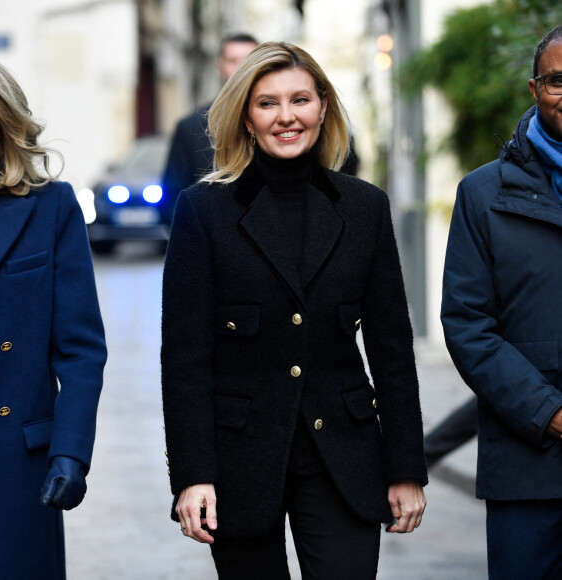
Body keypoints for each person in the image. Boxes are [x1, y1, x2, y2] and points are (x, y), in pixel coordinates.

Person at [161, 41, 427, 580]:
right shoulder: (203, 211)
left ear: (323, 107)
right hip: (240, 459)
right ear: (246, 115)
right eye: (267, 103)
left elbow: (392, 349)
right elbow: (185, 361)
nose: (286, 117)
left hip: (345, 455)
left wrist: (406, 470)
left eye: (300, 99)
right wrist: (193, 475)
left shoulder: (364, 207)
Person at [441, 25, 562, 579]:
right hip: (526, 462)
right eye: (559, 81)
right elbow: (468, 324)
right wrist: (548, 412)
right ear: (535, 88)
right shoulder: (482, 195)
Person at [0, 54, 106, 580]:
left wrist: (70, 454)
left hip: (13, 461)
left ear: (2, 126)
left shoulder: (50, 208)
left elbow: (80, 349)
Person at [160, 33, 258, 219]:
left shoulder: (278, 121)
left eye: (248, 60)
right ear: (220, 65)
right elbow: (171, 198)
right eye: (232, 60)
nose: (240, 68)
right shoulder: (191, 127)